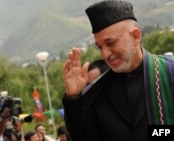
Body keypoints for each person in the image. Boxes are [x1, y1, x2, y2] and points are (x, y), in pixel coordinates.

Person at [62, 1, 174, 141]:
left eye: (110, 43)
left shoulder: (169, 73)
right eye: (100, 47)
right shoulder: (97, 92)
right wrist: (73, 98)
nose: (105, 54)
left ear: (135, 36)